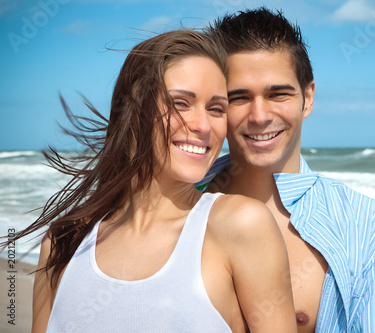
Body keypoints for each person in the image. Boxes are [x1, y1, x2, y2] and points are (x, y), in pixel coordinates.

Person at [5, 29, 297, 332]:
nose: (202, 125)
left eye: (216, 109)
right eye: (181, 103)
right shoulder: (63, 242)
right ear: (135, 110)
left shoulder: (239, 226)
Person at [197, 7, 375, 332]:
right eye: (239, 97)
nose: (259, 116)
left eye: (278, 94)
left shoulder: (368, 232)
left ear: (308, 98)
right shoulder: (171, 206)